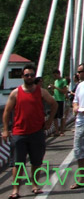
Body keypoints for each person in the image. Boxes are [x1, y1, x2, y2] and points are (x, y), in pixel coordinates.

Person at [2, 65, 58, 198]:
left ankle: (35, 185)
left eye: (32, 75)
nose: (29, 77)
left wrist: (50, 120)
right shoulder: (15, 93)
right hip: (19, 133)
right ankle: (16, 190)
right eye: (27, 75)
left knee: (36, 162)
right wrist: (5, 129)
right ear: (22, 77)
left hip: (37, 132)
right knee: (18, 164)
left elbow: (54, 104)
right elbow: (7, 111)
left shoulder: (41, 92)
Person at [48, 69, 69, 136]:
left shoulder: (63, 81)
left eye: (55, 75)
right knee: (55, 116)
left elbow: (64, 91)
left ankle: (62, 131)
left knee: (62, 116)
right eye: (54, 75)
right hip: (55, 100)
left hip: (61, 100)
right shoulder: (55, 81)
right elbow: (55, 91)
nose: (55, 76)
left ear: (58, 74)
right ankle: (57, 131)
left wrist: (55, 87)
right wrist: (52, 89)